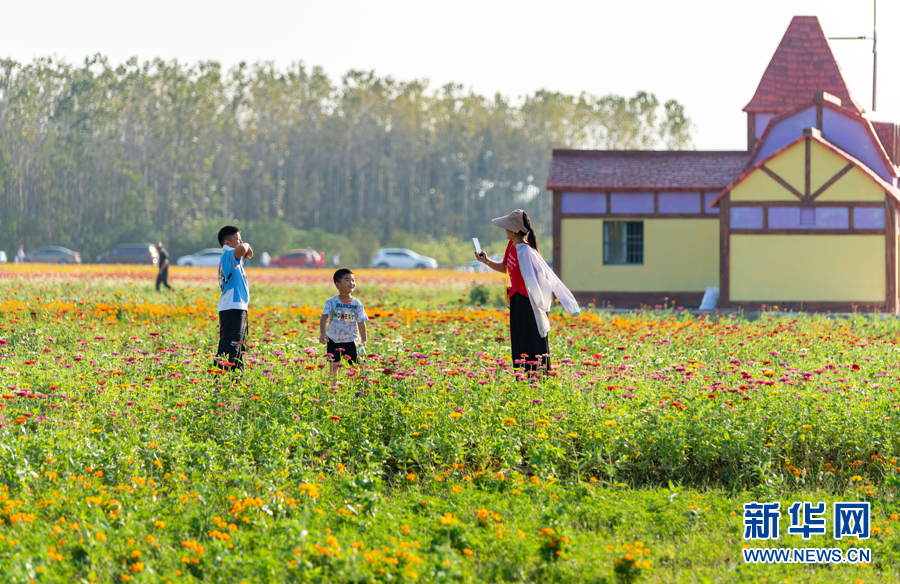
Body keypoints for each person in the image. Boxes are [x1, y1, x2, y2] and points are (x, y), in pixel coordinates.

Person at [476, 209, 580, 372]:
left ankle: (539, 379)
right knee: (519, 341)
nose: (505, 230)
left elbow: (542, 278)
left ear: (515, 229)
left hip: (530, 303)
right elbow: (506, 268)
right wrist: (487, 261)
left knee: (534, 343)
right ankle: (522, 378)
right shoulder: (512, 246)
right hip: (517, 300)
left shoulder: (526, 251)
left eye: (507, 227)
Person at [216, 226, 253, 372]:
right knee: (230, 349)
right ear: (227, 242)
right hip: (232, 309)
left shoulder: (232, 258)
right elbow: (242, 249)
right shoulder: (228, 255)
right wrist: (246, 246)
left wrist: (244, 247)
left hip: (237, 308)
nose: (242, 241)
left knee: (238, 350)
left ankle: (235, 383)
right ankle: (219, 384)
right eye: (238, 239)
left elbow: (241, 250)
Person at [319, 268, 368, 376]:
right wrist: (323, 333)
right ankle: (333, 388)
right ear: (338, 285)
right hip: (333, 339)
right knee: (333, 366)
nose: (351, 283)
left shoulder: (357, 303)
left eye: (353, 280)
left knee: (354, 366)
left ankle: (356, 388)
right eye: (347, 280)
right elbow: (323, 317)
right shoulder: (332, 302)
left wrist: (363, 340)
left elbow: (361, 322)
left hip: (351, 340)